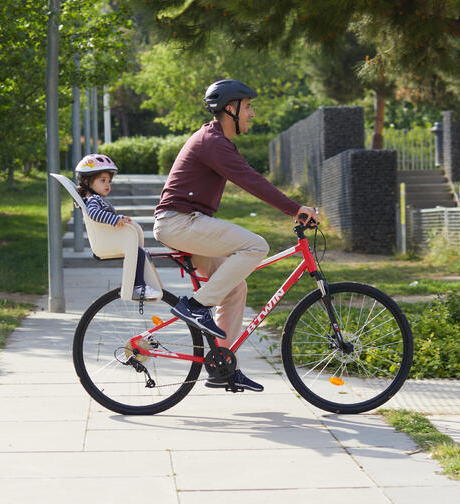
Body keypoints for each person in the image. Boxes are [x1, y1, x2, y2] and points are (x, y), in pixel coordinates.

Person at [153, 79, 319, 392]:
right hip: (179, 222)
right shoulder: (212, 142)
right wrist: (295, 208)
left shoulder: (218, 141)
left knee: (234, 287)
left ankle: (223, 366)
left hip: (185, 222)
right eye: (248, 106)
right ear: (231, 108)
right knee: (256, 245)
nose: (252, 114)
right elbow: (251, 180)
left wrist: (292, 208)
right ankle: (196, 306)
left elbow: (249, 177)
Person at [76, 154, 162, 301]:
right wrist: (115, 219)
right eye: (102, 180)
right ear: (87, 181)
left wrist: (120, 219)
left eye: (109, 181)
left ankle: (138, 285)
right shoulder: (94, 199)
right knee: (138, 253)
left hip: (110, 239)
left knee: (139, 253)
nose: (107, 184)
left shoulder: (95, 199)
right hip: (107, 241)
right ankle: (138, 287)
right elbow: (94, 214)